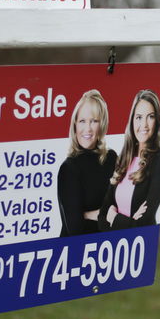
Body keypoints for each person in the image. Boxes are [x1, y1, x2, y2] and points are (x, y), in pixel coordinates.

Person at [91, 89, 160, 231]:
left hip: (141, 246)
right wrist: (127, 221)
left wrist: (114, 218)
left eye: (150, 117)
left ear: (157, 120)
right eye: (138, 117)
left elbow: (143, 223)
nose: (144, 125)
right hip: (115, 246)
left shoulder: (158, 160)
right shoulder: (124, 159)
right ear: (132, 121)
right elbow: (102, 216)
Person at [57, 89, 117, 236]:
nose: (87, 129)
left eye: (94, 121)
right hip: (75, 251)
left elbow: (123, 208)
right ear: (75, 125)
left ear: (101, 124)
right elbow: (75, 228)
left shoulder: (111, 158)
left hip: (107, 247)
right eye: (82, 121)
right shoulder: (69, 168)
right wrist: (105, 215)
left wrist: (87, 214)